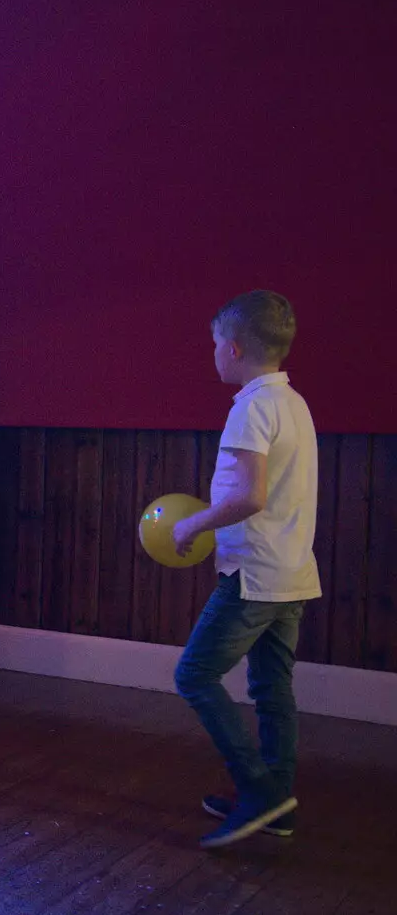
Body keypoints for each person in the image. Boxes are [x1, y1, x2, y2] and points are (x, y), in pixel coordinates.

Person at [171, 290, 319, 849]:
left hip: (253, 575)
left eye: (213, 344)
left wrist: (194, 525)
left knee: (194, 675)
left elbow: (250, 497)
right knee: (272, 687)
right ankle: (276, 800)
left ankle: (259, 792)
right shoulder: (294, 403)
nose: (212, 353)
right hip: (292, 572)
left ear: (233, 349)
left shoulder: (250, 408)